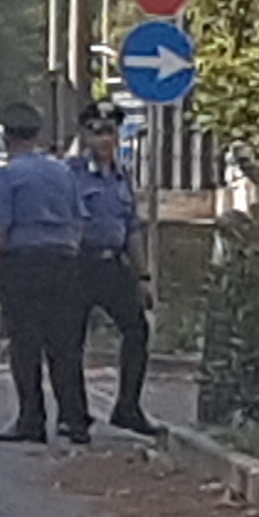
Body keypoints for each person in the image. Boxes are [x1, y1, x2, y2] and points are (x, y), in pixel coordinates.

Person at [0, 103, 90, 444]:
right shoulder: (63, 173)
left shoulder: (2, 177)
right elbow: (79, 220)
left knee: (25, 343)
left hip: (23, 263)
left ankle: (31, 418)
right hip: (64, 261)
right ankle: (73, 419)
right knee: (65, 344)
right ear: (37, 135)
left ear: (5, 138)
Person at [73, 106, 159, 436]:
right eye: (97, 131)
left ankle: (127, 407)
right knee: (71, 341)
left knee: (136, 329)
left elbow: (132, 229)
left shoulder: (122, 177)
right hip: (80, 264)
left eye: (110, 131)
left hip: (113, 264)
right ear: (84, 136)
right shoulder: (72, 175)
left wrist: (143, 276)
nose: (104, 139)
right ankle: (75, 415)